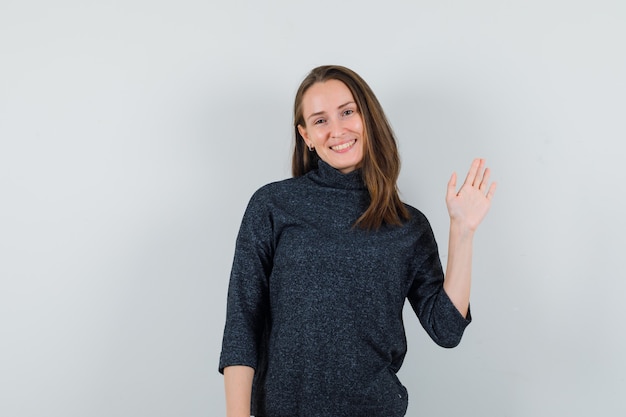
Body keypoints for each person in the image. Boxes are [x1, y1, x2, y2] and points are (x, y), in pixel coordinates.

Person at [219, 65, 496, 417]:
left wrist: (463, 232)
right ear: (305, 136)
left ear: (368, 117)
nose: (337, 130)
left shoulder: (407, 225)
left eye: (347, 112)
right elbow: (243, 322)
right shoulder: (272, 205)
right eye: (320, 120)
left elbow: (447, 329)